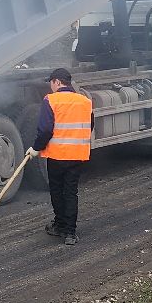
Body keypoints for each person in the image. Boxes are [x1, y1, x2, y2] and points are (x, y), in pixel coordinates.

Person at [29, 67, 93, 246]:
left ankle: (60, 225)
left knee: (57, 191)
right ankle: (70, 234)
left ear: (57, 82)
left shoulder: (51, 100)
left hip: (57, 157)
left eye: (51, 83)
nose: (50, 87)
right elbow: (90, 126)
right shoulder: (85, 101)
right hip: (77, 156)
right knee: (71, 192)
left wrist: (35, 148)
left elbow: (45, 130)